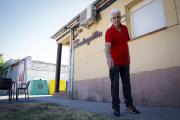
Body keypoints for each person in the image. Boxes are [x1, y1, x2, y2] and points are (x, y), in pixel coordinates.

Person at [104, 8, 140, 116]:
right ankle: (116, 107)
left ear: (120, 17)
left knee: (127, 84)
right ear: (111, 20)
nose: (116, 19)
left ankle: (129, 105)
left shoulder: (124, 28)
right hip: (114, 63)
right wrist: (108, 57)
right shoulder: (109, 31)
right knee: (115, 85)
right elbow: (107, 46)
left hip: (125, 61)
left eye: (118, 17)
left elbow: (126, 43)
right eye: (114, 18)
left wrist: (129, 56)